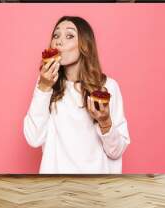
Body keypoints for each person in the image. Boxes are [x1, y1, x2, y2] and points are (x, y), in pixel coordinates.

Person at [23, 16, 130, 174]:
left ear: (84, 45)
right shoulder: (47, 84)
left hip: (96, 189)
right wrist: (43, 88)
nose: (59, 42)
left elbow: (116, 152)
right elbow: (33, 138)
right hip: (55, 188)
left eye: (69, 36)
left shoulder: (107, 87)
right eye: (56, 36)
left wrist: (105, 121)